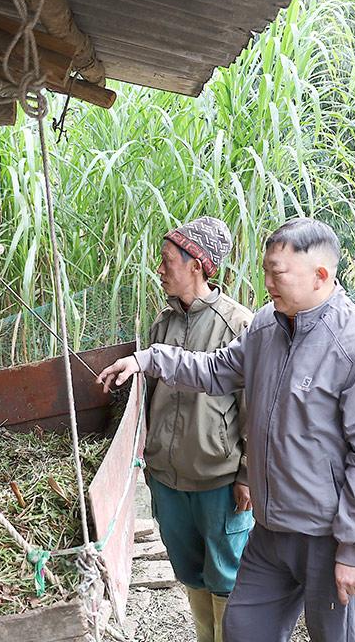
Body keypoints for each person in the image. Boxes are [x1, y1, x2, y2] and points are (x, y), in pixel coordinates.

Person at [99, 218, 355, 642]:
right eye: (265, 270)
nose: (267, 283)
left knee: (336, 637)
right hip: (270, 530)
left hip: (326, 536)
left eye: (277, 273)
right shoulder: (266, 326)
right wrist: (148, 359)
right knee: (242, 629)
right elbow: (215, 369)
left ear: (321, 275)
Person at [142, 217, 254, 642]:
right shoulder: (162, 326)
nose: (161, 268)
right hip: (168, 480)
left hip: (219, 481)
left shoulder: (238, 325)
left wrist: (246, 475)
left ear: (197, 265)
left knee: (226, 573)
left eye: (168, 260)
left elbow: (253, 408)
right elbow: (151, 399)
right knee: (189, 571)